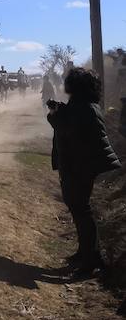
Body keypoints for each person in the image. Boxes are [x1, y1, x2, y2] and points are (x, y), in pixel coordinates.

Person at [47, 68, 121, 278]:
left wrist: (55, 116)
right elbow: (72, 122)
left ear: (74, 86)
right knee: (79, 208)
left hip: (80, 166)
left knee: (81, 210)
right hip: (80, 164)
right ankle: (85, 253)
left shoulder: (84, 108)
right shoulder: (84, 105)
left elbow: (68, 128)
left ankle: (91, 261)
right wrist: (60, 110)